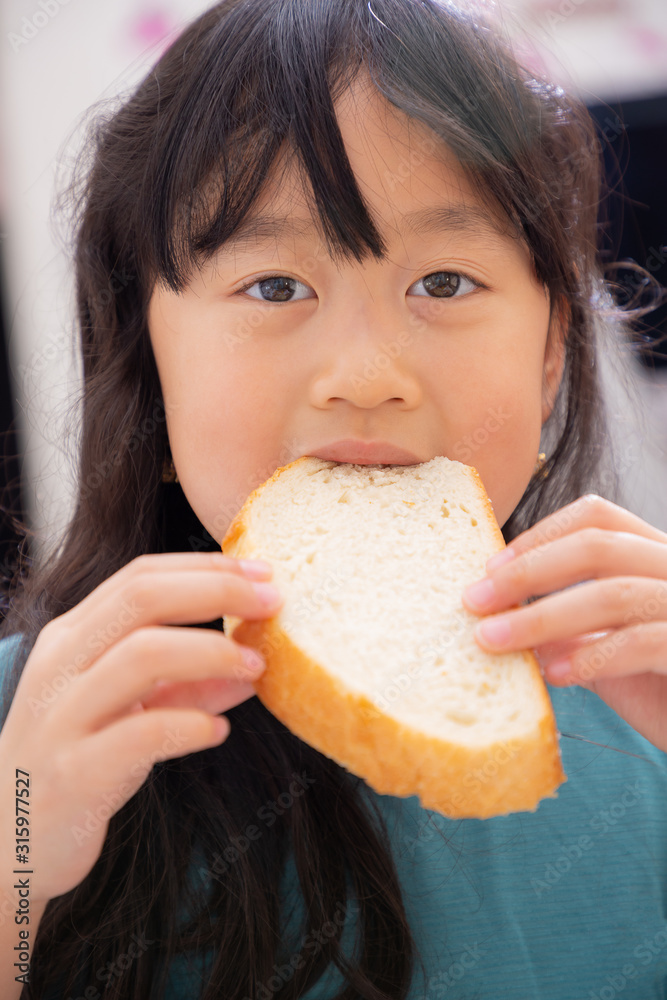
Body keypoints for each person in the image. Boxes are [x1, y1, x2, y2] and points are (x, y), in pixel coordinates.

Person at [1, 0, 667, 997]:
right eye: (274, 287)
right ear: (149, 373)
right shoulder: (29, 729)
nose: (365, 374)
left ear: (548, 359)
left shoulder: (645, 695)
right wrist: (15, 874)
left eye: (444, 281)